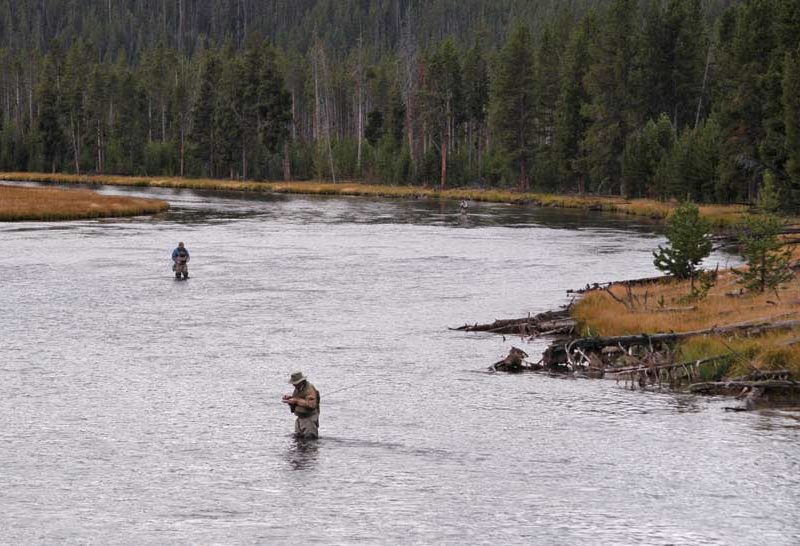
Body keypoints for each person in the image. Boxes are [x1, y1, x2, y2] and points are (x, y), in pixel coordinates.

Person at [282, 371, 320, 439]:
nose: (294, 385)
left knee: (310, 441)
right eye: (293, 383)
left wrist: (296, 401)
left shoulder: (309, 389)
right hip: (300, 419)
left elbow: (311, 405)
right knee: (299, 440)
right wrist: (290, 398)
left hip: (309, 419)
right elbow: (300, 398)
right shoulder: (298, 389)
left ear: (301, 382)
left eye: (295, 383)